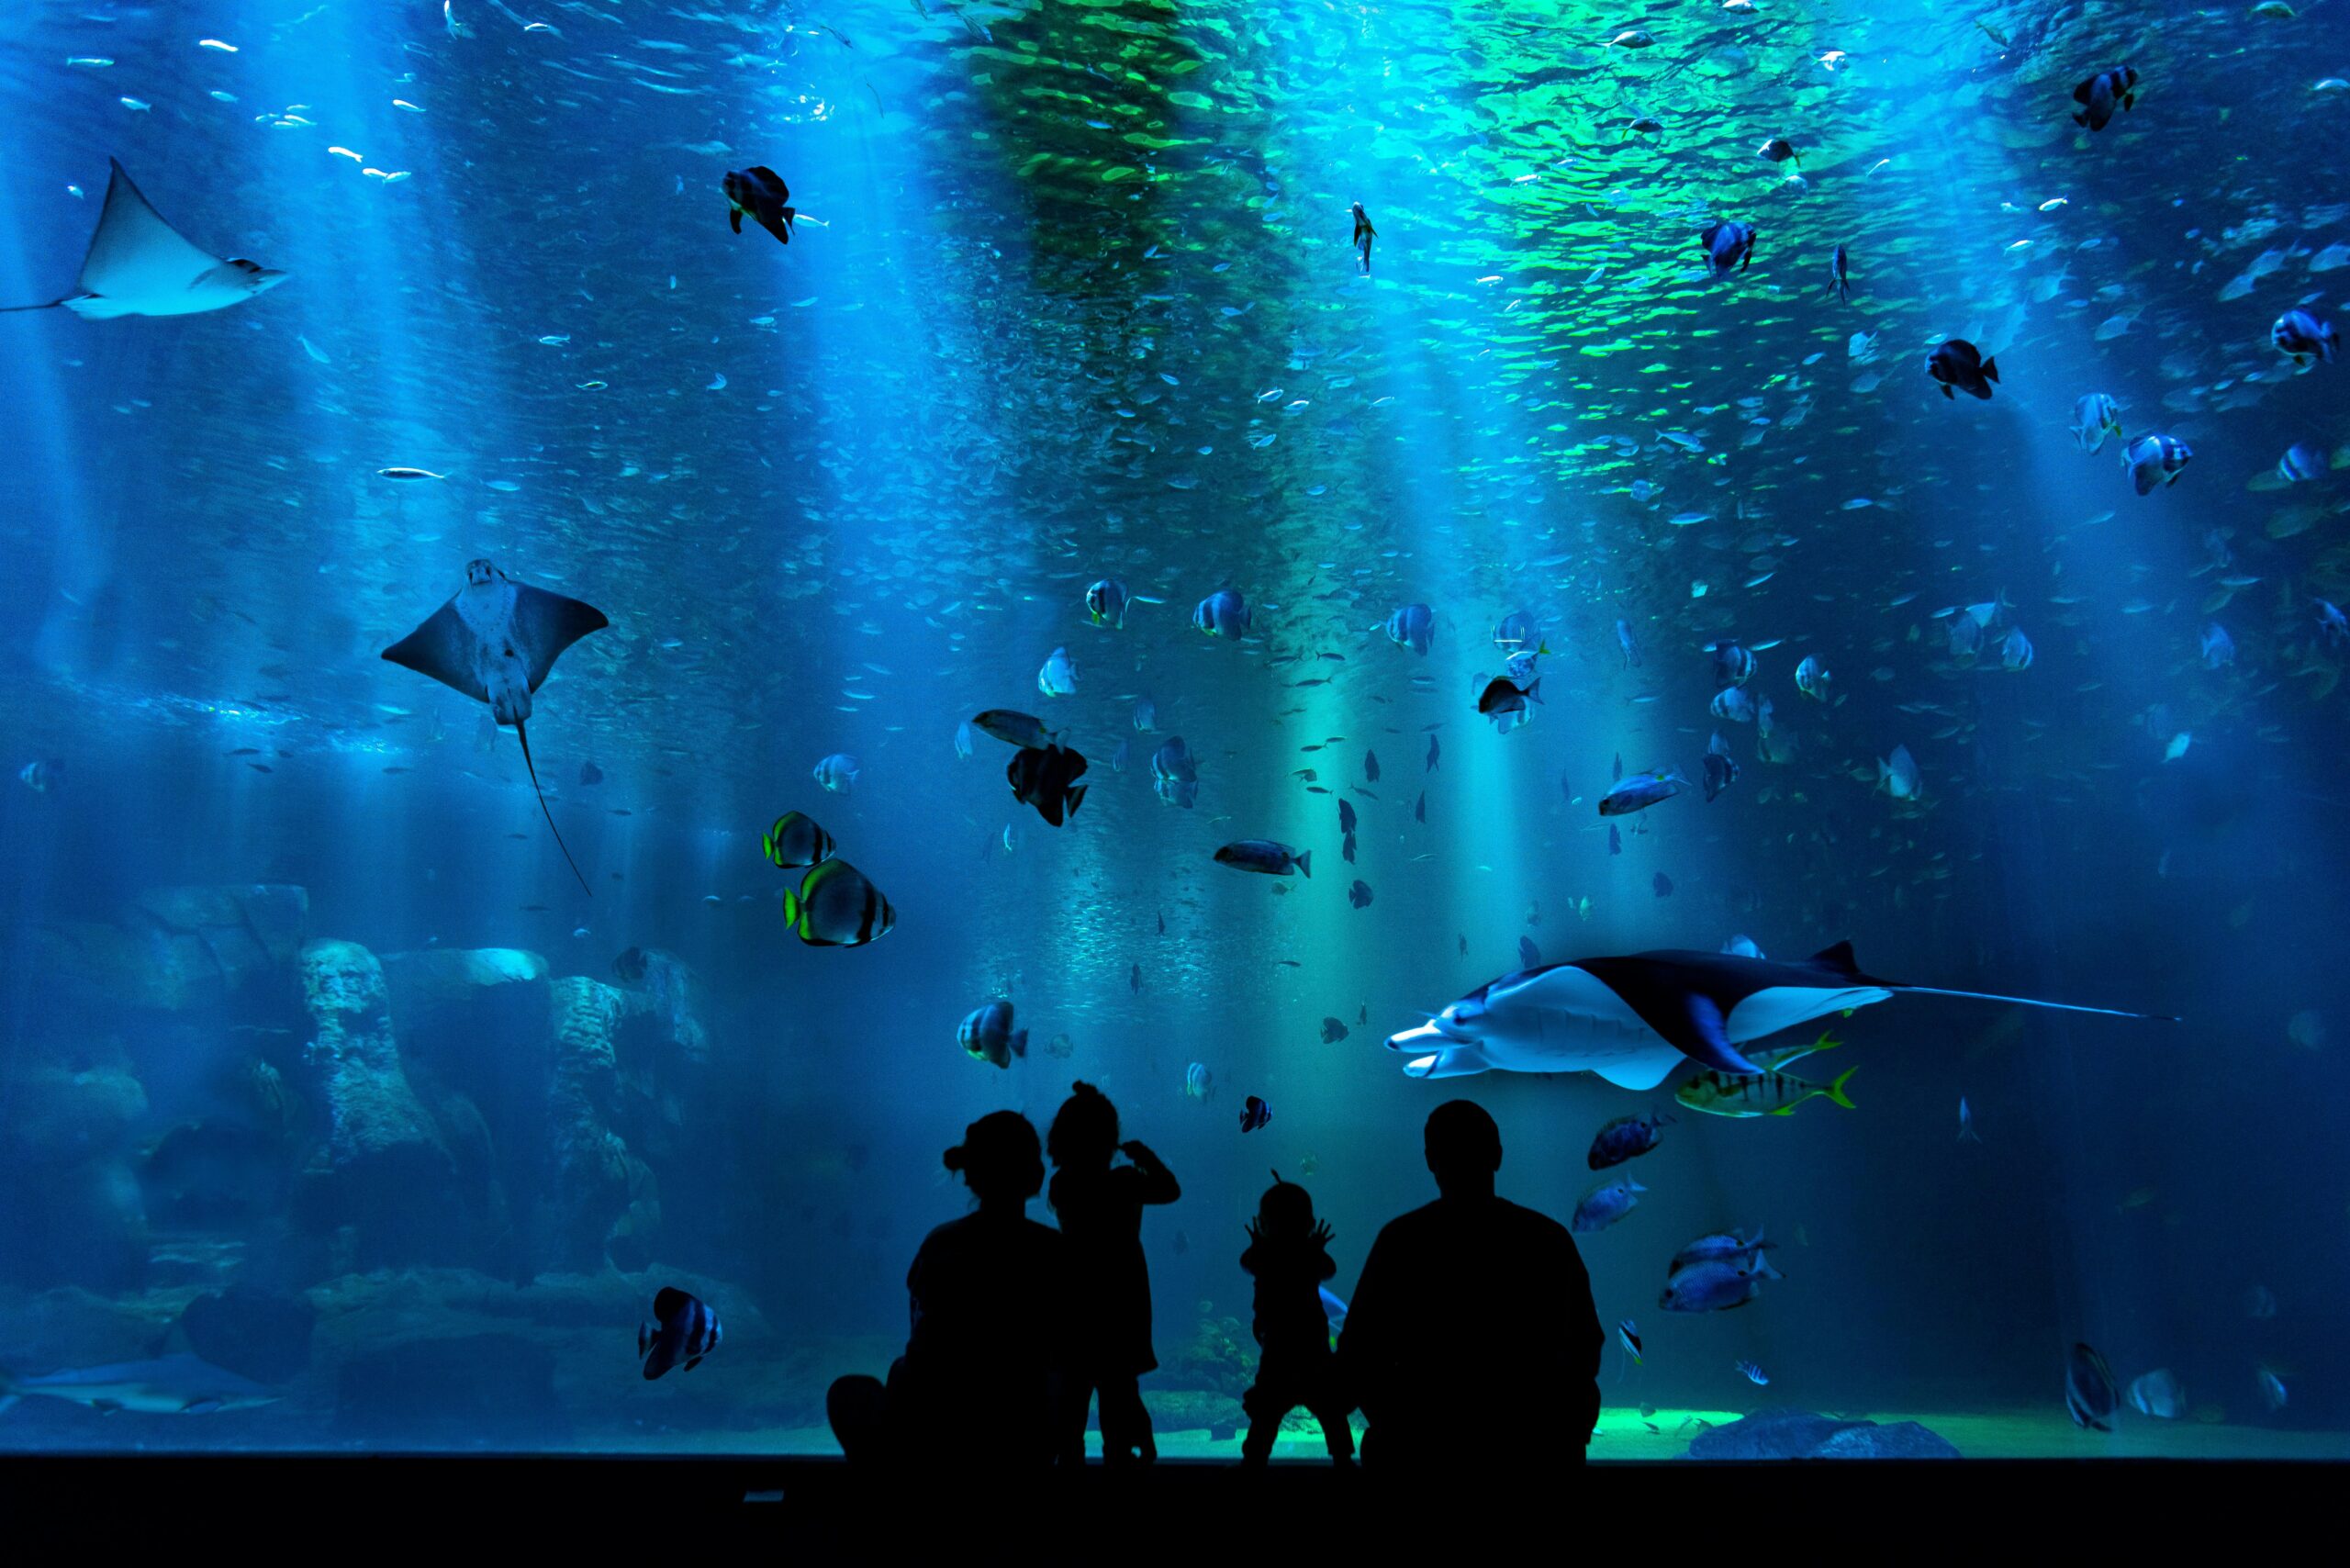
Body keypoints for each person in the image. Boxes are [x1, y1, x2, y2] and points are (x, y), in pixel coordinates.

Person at [1337, 1100, 1602, 1473]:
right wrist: (1564, 1430)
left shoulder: (1402, 1241)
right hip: (1534, 1452)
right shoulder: (1547, 1239)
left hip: (1417, 1451)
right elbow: (1585, 1347)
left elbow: (1357, 1355)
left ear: (1430, 1160)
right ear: (1497, 1156)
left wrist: (1395, 1421)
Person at [827, 1110, 1069, 1471]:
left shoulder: (940, 1244)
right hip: (1021, 1437)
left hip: (936, 1433)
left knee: (853, 1390)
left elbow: (921, 1337)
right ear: (1035, 1175)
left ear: (970, 1175)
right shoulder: (1053, 1251)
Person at [1046, 1081, 1180, 1465]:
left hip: (1075, 1299)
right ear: (1111, 1137)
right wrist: (1146, 1158)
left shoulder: (1062, 1183)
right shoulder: (1125, 1182)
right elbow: (1170, 1190)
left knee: (1070, 1399)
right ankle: (1126, 1464)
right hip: (1122, 1299)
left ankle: (1070, 1467)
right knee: (1119, 1392)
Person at [1237, 1170, 1354, 1465]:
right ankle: (1343, 1460)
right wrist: (1316, 1248)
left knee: (1265, 1413)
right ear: (1310, 1224)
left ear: (1263, 1223)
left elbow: (1247, 1263)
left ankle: (1253, 1463)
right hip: (1314, 1351)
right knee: (1331, 1410)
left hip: (1277, 1351)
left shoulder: (1265, 1256)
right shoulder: (1309, 1255)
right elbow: (1328, 1270)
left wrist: (1258, 1244)